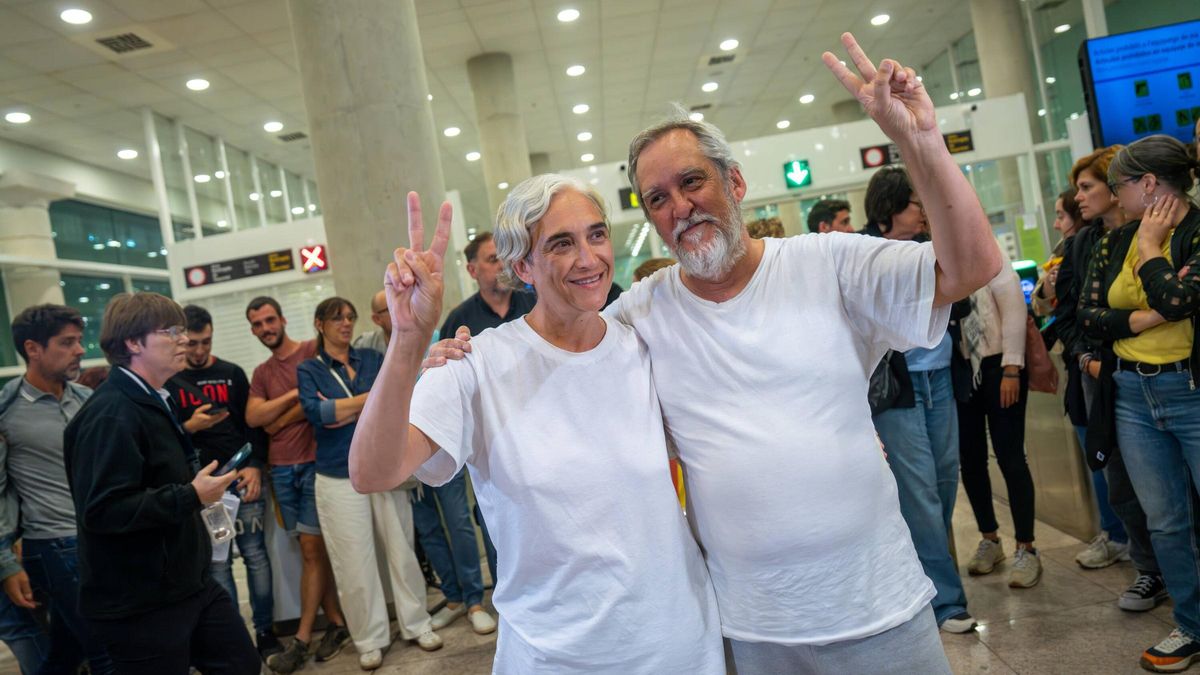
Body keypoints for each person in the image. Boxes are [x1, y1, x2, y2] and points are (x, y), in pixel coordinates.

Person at [429, 34, 1001, 673]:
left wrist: (921, 143)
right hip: (747, 628)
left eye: (692, 181)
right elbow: (555, 346)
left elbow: (971, 266)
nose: (680, 207)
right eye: (658, 199)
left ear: (734, 181)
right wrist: (453, 358)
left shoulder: (827, 262)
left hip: (877, 606)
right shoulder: (638, 313)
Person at [353, 179, 726, 673]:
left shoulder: (644, 344)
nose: (589, 258)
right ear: (521, 267)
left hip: (679, 641)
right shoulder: (477, 364)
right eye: (561, 243)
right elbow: (373, 472)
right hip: (555, 655)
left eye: (596, 235)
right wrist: (408, 338)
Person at [62, 292, 259, 674]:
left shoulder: (154, 397)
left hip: (186, 582)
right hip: (140, 600)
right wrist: (191, 495)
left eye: (182, 331)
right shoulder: (111, 414)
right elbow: (102, 510)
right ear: (133, 343)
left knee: (241, 663)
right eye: (171, 331)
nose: (183, 340)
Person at [1078, 134, 1200, 673]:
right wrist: (1147, 318)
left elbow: (1180, 298)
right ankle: (1193, 626)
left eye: (1121, 184)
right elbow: (1088, 315)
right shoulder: (1112, 239)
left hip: (1190, 390)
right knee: (1166, 519)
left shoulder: (1193, 231)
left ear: (1148, 184)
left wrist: (1152, 249)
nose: (1114, 193)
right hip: (1130, 392)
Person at [299, 297, 442, 670]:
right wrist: (370, 400)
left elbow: (394, 401)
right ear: (319, 324)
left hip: (382, 467)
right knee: (353, 562)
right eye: (336, 318)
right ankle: (369, 638)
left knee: (401, 550)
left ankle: (417, 623)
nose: (346, 324)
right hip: (335, 475)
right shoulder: (309, 370)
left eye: (350, 316)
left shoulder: (371, 360)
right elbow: (319, 414)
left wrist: (349, 407)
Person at [862, 167, 975, 632]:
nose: (923, 211)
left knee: (946, 481)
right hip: (898, 391)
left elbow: (963, 299)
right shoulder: (866, 251)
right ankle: (946, 602)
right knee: (919, 493)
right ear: (891, 209)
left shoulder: (934, 245)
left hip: (941, 381)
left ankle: (925, 573)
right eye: (916, 203)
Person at [1060, 148, 1164, 605]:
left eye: (1088, 187)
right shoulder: (1082, 245)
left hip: (1157, 372)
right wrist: (1086, 359)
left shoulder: (1159, 234)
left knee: (1168, 487)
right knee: (1120, 480)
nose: (1079, 197)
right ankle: (1149, 570)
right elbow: (1072, 315)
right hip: (1101, 377)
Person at [0, 305, 113, 674]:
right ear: (33, 349)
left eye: (79, 341)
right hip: (53, 544)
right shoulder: (7, 410)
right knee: (107, 651)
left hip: (98, 537)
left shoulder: (86, 400)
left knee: (65, 653)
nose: (80, 350)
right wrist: (6, 562)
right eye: (67, 343)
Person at [244, 297, 350, 672]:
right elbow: (256, 417)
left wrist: (279, 416)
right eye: (257, 324)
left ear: (283, 319)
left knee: (310, 551)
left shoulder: (311, 350)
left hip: (313, 464)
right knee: (311, 553)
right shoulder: (260, 372)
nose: (265, 328)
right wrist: (296, 395)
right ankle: (336, 624)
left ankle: (302, 638)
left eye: (270, 320)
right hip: (281, 472)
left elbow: (318, 405)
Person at [168, 305, 280, 659]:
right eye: (193, 343)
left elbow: (252, 426)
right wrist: (189, 427)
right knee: (218, 564)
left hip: (241, 478)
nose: (200, 351)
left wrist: (256, 466)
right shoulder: (169, 382)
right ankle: (235, 641)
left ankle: (265, 633)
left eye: (206, 342)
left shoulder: (231, 373)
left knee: (256, 557)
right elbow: (163, 439)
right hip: (203, 489)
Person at [437, 231, 534, 585]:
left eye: (506, 257)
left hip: (543, 437)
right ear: (472, 270)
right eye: (493, 260)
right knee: (500, 532)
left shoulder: (535, 305)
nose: (503, 266)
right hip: (492, 448)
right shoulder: (459, 322)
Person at [955, 266, 1040, 587]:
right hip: (963, 369)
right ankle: (990, 540)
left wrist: (1012, 369)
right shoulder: (948, 260)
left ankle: (1027, 548)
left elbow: (1016, 313)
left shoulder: (993, 260)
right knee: (971, 461)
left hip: (1001, 367)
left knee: (1011, 457)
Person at [1031, 188, 1084, 317]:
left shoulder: (1097, 245)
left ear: (1079, 217)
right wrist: (1049, 285)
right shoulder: (1061, 248)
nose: (1055, 225)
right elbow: (1038, 308)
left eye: (1061, 217)